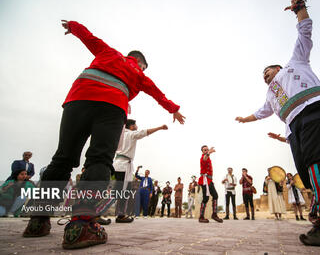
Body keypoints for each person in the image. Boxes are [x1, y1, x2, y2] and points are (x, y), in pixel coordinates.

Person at [22, 19, 185, 250]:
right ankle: (81, 225)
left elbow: (90, 38)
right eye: (143, 67)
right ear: (139, 62)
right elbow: (158, 94)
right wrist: (175, 110)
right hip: (111, 106)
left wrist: (74, 26)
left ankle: (37, 221)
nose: (142, 70)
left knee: (62, 158)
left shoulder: (109, 53)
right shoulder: (139, 74)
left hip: (78, 98)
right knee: (99, 159)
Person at [235, 0, 320, 246]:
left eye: (267, 72)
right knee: (310, 171)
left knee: (318, 162)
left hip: (313, 110)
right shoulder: (270, 97)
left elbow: (305, 33)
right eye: (263, 77)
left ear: (278, 69)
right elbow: (260, 113)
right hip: (295, 128)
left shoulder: (295, 63)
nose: (265, 77)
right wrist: (244, 120)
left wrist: (300, 9)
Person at [114, 120, 167, 222]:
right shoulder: (131, 134)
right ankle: (118, 215)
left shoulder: (120, 135)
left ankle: (119, 214)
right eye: (135, 125)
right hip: (123, 165)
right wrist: (160, 127)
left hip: (119, 164)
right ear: (132, 126)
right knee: (122, 190)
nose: (137, 126)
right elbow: (144, 132)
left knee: (121, 190)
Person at [198, 145, 223, 223]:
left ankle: (214, 214)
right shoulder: (203, 158)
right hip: (204, 180)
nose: (206, 151)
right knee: (206, 198)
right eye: (204, 150)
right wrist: (209, 153)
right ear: (202, 151)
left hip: (209, 180)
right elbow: (205, 158)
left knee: (215, 196)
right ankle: (201, 217)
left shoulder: (208, 158)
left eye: (207, 150)